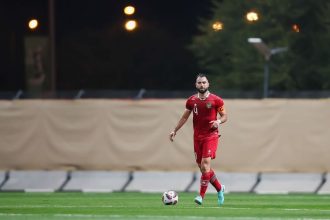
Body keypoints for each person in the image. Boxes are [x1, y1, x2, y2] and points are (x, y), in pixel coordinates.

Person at [169, 73, 228, 206]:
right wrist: (175, 130)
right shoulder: (191, 101)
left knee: (205, 164)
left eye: (204, 82)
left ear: (208, 84)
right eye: (199, 83)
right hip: (197, 137)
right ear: (196, 85)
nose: (202, 85)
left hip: (211, 136)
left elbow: (225, 116)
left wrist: (218, 121)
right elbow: (184, 117)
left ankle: (201, 196)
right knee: (203, 168)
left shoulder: (216, 100)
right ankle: (219, 188)